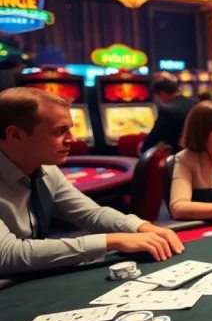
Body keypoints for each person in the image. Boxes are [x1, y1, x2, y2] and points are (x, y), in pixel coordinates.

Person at [0, 88, 184, 275]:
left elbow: (91, 214)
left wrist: (141, 227)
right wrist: (112, 241)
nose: (72, 139)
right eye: (59, 132)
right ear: (15, 135)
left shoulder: (47, 170)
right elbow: (7, 255)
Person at [140, 76, 197, 154]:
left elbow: (154, 137)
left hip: (180, 156)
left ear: (162, 93)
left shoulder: (167, 110)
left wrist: (143, 148)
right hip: (199, 153)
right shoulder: (196, 103)